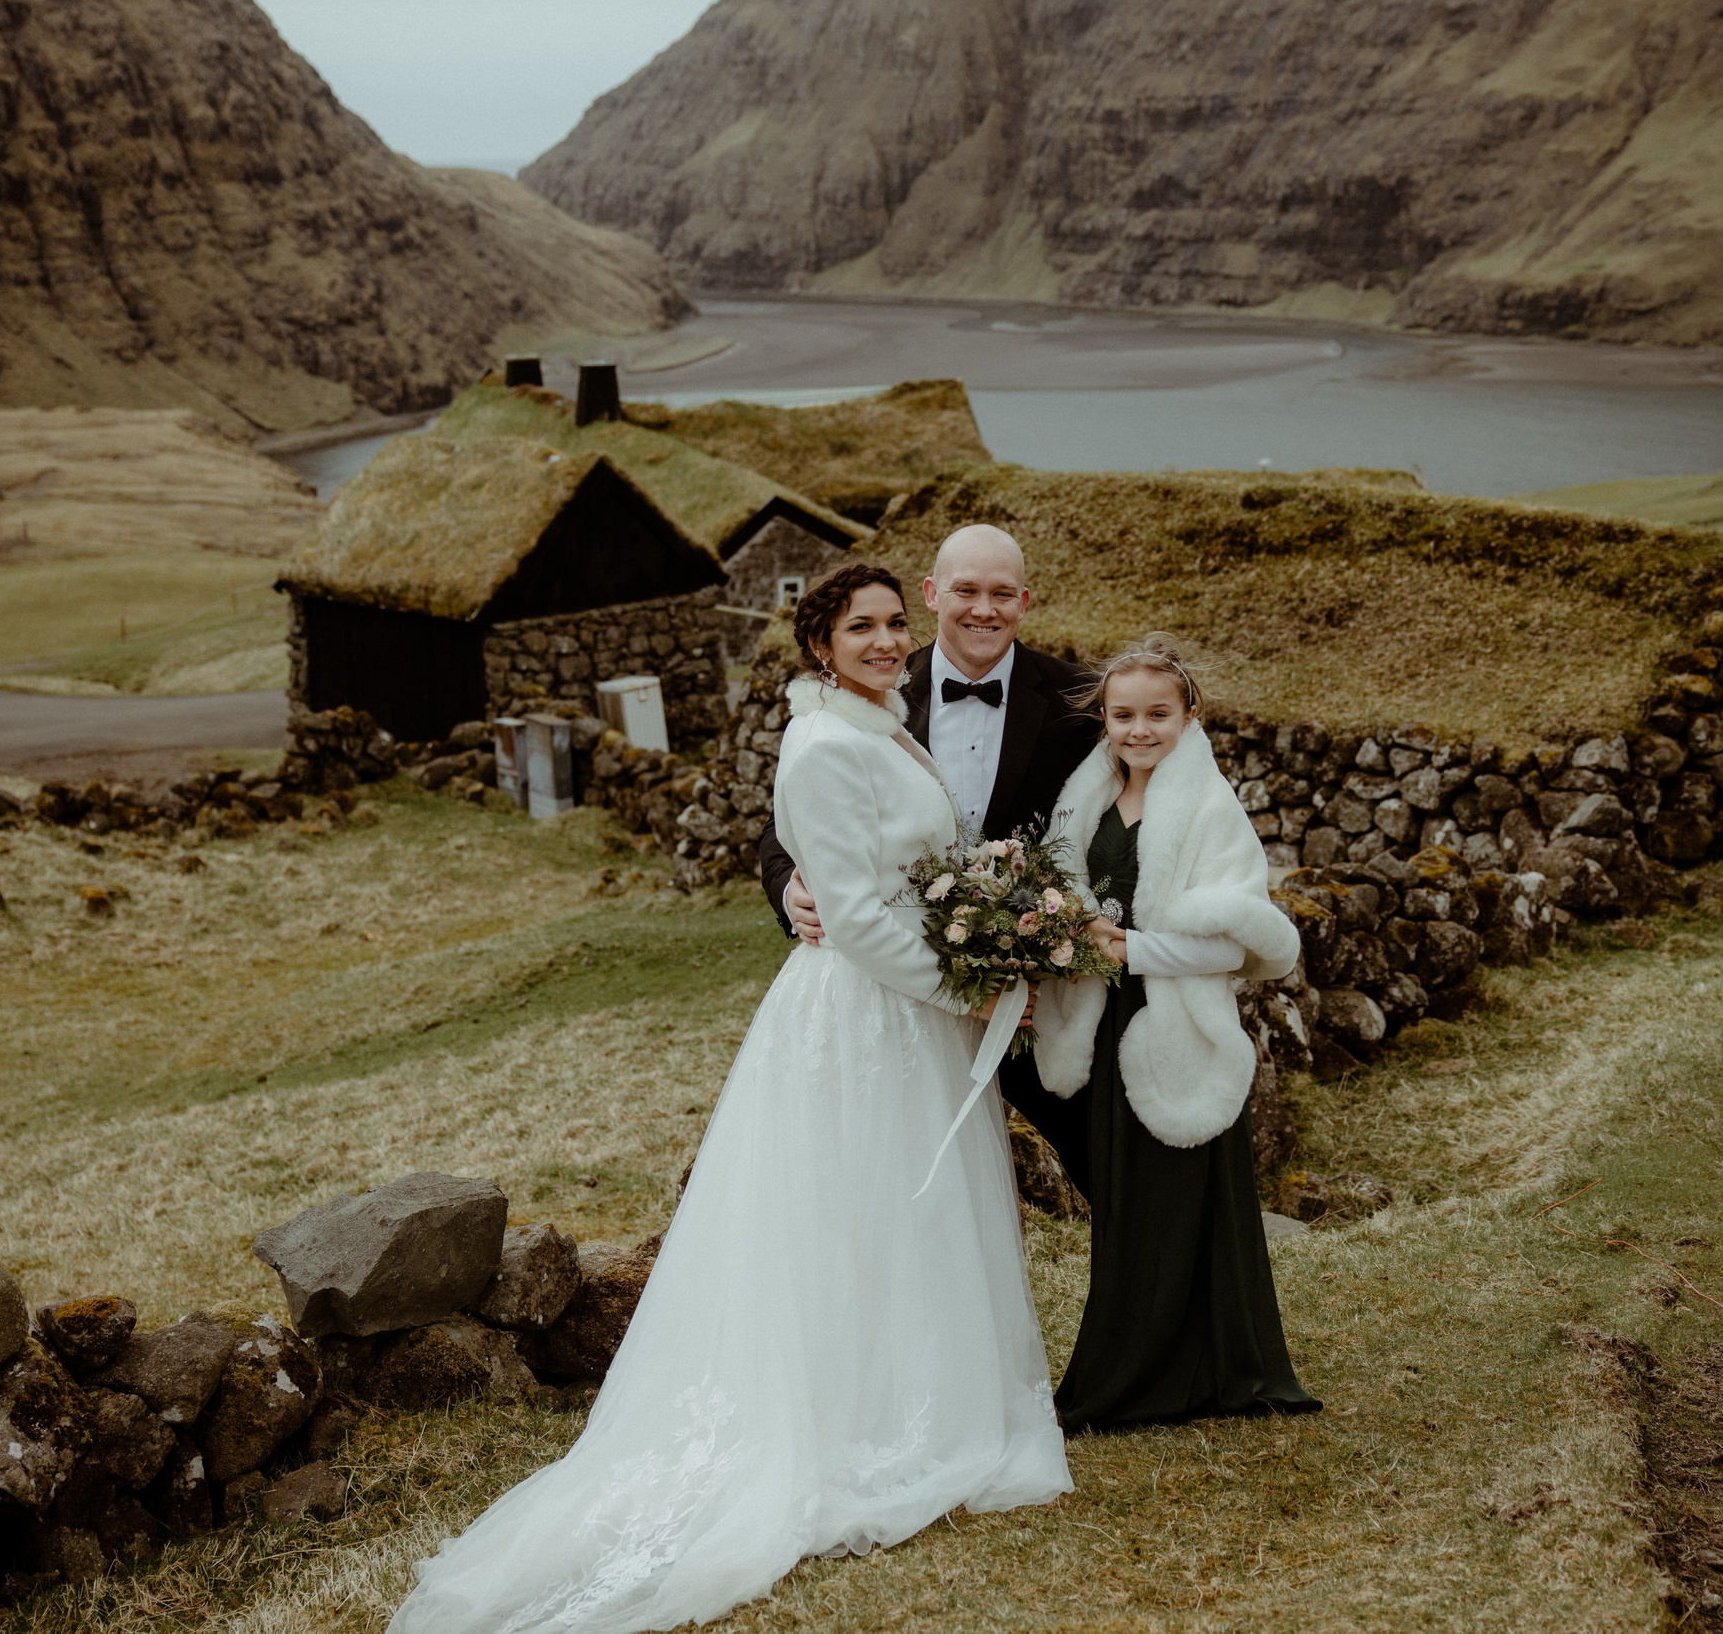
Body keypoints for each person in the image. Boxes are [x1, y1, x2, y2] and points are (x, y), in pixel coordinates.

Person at [389, 563, 1069, 1634]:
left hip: (903, 1015)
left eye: (897, 622)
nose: (889, 640)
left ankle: (915, 1398)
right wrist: (973, 991)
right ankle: (845, 1426)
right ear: (818, 642)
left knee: (904, 1214)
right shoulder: (823, 744)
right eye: (863, 626)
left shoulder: (884, 722)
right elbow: (852, 913)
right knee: (851, 1209)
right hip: (865, 1014)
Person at [757, 524, 1104, 1197]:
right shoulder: (872, 688)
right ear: (933, 593)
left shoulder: (1078, 702)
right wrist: (786, 888)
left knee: (1099, 1161)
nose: (983, 608)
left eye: (1001, 593)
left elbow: (1119, 822)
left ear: (1024, 601)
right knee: (891, 1179)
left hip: (1033, 987)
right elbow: (789, 822)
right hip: (900, 994)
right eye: (965, 590)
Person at [1029, 636, 1322, 1432]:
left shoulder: (1207, 807)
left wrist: (1128, 947)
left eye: (1158, 713)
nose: (1139, 730)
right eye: (1123, 715)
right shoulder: (1083, 801)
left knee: (1182, 1201)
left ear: (1189, 715)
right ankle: (1139, 1364)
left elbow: (1233, 940)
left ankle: (1194, 1373)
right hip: (1104, 1019)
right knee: (1128, 1204)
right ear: (1105, 720)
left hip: (1171, 1022)